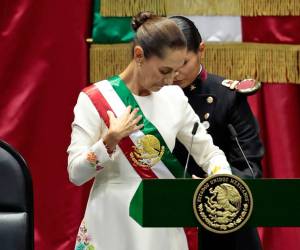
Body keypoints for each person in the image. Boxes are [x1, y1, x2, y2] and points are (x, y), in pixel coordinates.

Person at [67, 12, 232, 250]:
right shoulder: (94, 99)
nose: (170, 80)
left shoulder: (174, 97)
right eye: (164, 71)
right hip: (112, 220)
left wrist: (220, 179)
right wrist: (109, 141)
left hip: (162, 220)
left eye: (176, 71)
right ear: (139, 56)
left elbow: (209, 153)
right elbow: (76, 173)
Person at [170, 16, 264, 250]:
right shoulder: (150, 97)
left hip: (222, 220)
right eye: (168, 64)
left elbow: (249, 165)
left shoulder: (227, 96)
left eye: (183, 63)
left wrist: (214, 185)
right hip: (168, 218)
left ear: (201, 50)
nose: (175, 73)